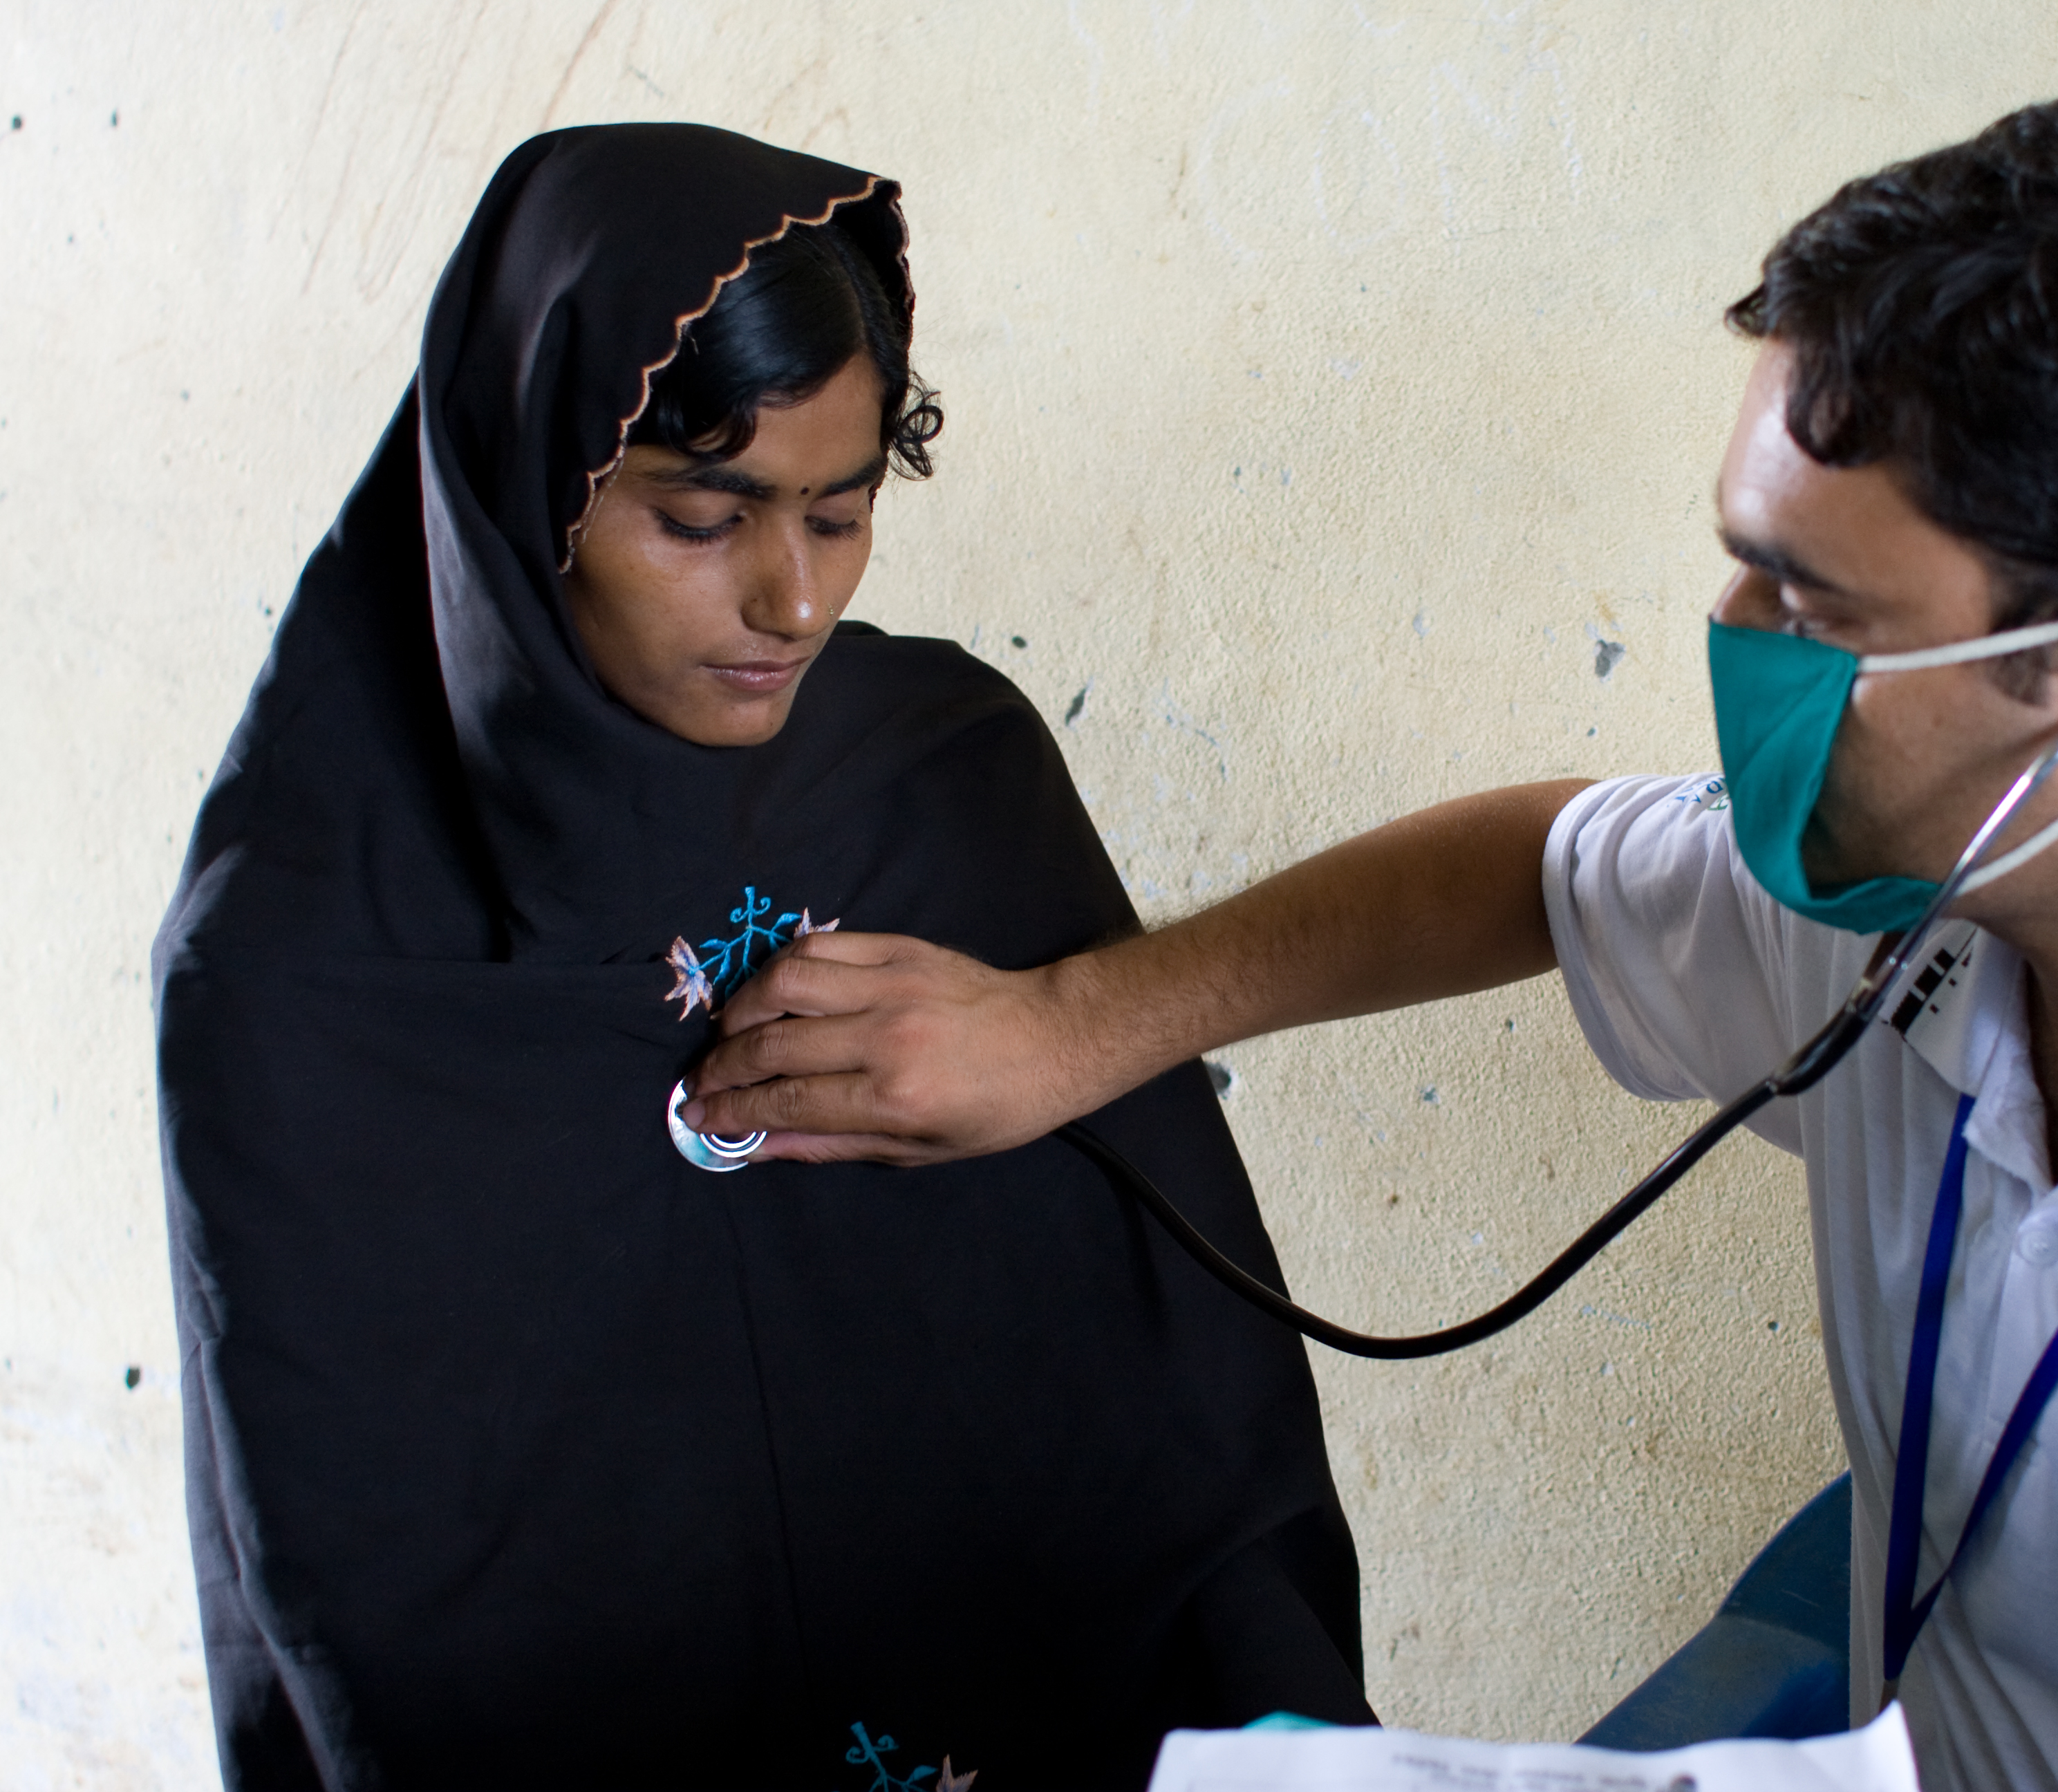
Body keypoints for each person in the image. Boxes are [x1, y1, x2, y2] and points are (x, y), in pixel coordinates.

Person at [685, 92, 2058, 1789]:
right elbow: (1544, 867)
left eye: (1810, 608)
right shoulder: (1918, 918)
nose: (1732, 646)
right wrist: (1070, 1025)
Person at [153, 124, 1369, 1792]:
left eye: (843, 512)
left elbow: (1176, 1410)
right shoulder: (305, 970)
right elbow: (380, 1606)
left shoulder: (943, 779)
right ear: (531, 488)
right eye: (701, 518)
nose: (793, 602)